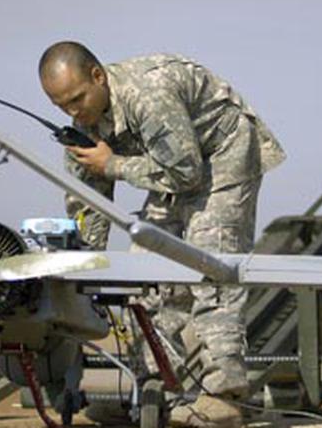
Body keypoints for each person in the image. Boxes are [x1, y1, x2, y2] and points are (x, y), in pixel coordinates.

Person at [38, 41, 285, 427]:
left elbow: (186, 173)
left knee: (211, 266)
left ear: (98, 77)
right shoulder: (82, 127)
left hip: (220, 157)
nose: (73, 112)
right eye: (61, 106)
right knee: (145, 271)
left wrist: (114, 164)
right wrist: (87, 267)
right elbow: (89, 202)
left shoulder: (148, 94)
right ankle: (155, 390)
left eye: (77, 99)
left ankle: (225, 396)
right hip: (172, 166)